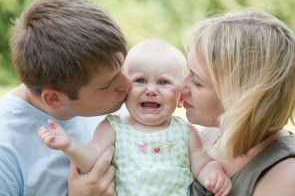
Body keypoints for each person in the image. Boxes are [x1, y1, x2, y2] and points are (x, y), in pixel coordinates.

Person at [39, 39, 232, 196]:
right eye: (140, 80)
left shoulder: (185, 132)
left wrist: (213, 173)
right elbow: (93, 160)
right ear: (125, 89)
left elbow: (202, 162)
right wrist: (69, 145)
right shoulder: (114, 128)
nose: (150, 90)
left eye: (163, 82)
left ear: (179, 96)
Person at [0, 0, 132, 195]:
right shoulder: (6, 152)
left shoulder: (123, 105)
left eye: (122, 68)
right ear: (54, 99)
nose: (128, 84)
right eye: (106, 85)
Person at [176, 9, 295, 196]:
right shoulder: (209, 136)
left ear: (241, 97)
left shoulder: (288, 177)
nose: (179, 86)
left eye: (197, 81)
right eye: (187, 70)